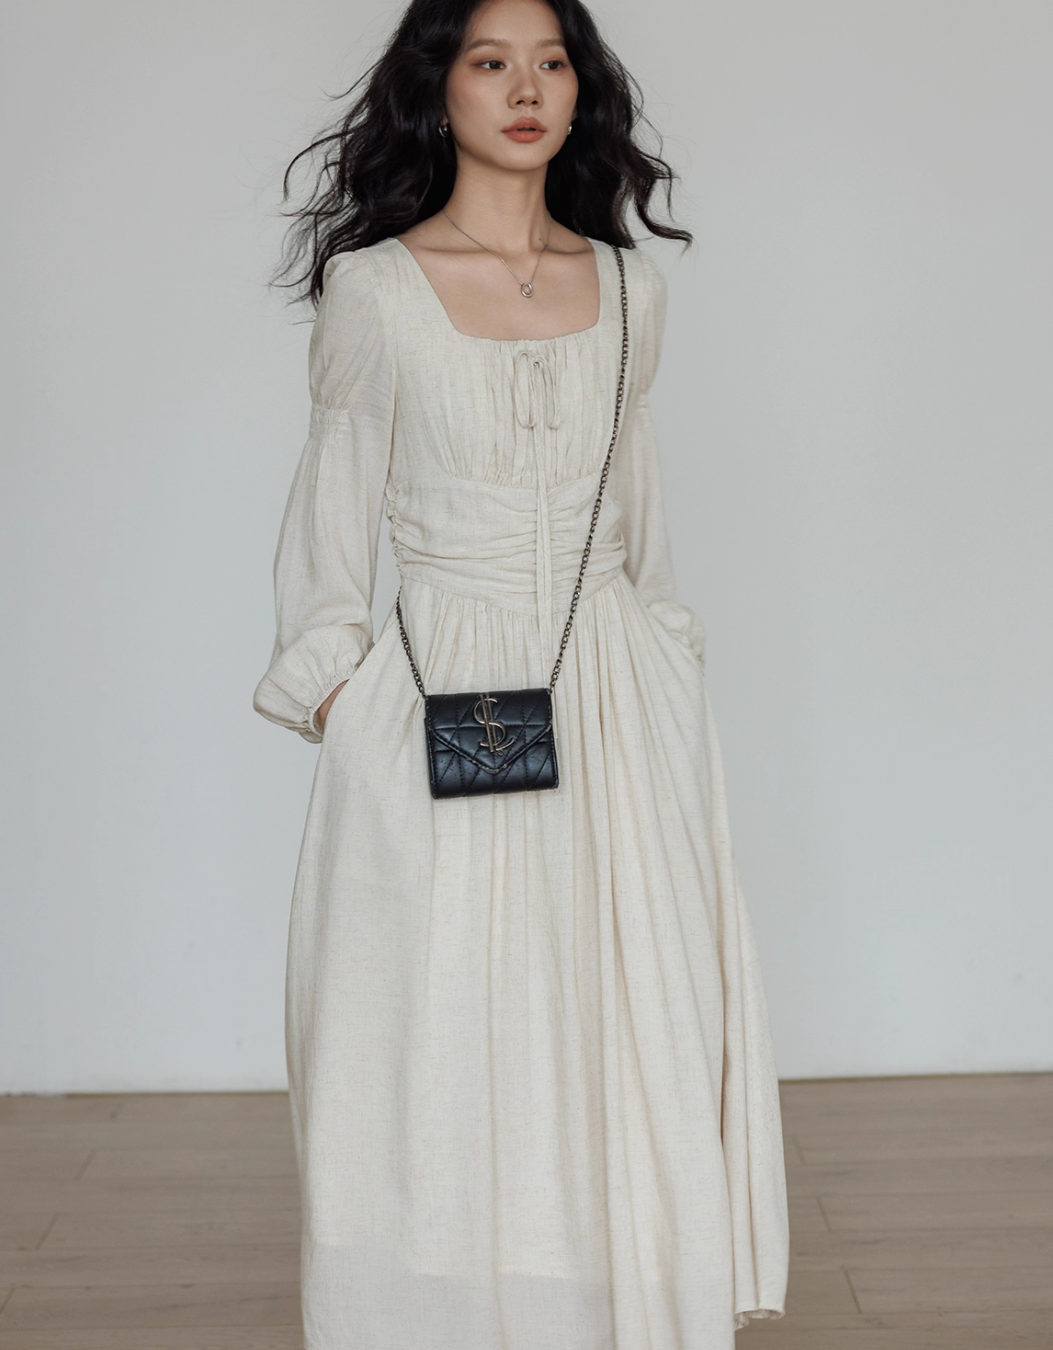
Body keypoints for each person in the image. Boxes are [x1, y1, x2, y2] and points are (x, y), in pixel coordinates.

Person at [253, 0, 789, 1345]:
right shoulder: (377, 291)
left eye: (552, 61)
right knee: (439, 1034)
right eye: (491, 62)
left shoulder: (631, 290)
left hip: (611, 700)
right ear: (438, 89)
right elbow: (330, 523)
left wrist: (664, 658)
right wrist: (344, 698)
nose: (527, 87)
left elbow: (640, 521)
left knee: (625, 1026)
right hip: (438, 689)